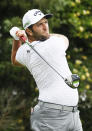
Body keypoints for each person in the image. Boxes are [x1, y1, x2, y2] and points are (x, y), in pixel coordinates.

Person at [10, 9, 83, 131]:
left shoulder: (25, 52)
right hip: (50, 116)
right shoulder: (55, 43)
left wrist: (16, 38)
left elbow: (14, 58)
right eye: (40, 24)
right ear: (29, 30)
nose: (45, 27)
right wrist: (26, 39)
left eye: (46, 22)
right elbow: (64, 38)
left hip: (72, 115)